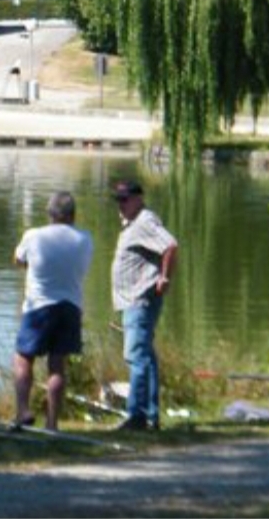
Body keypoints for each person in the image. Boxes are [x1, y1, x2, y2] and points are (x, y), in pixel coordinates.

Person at [12, 191, 93, 431]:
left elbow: (17, 260)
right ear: (73, 215)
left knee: (23, 358)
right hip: (71, 307)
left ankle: (23, 412)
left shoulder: (34, 236)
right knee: (57, 366)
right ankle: (52, 423)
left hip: (39, 306)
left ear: (49, 214)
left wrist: (32, 265)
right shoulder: (85, 239)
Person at [110, 180, 178, 431]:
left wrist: (165, 277)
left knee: (136, 356)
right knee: (144, 357)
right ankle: (150, 415)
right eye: (118, 199)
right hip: (133, 301)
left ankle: (136, 416)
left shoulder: (144, 221)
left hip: (140, 300)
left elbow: (170, 245)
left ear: (139, 198)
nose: (121, 204)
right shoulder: (134, 224)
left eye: (125, 199)